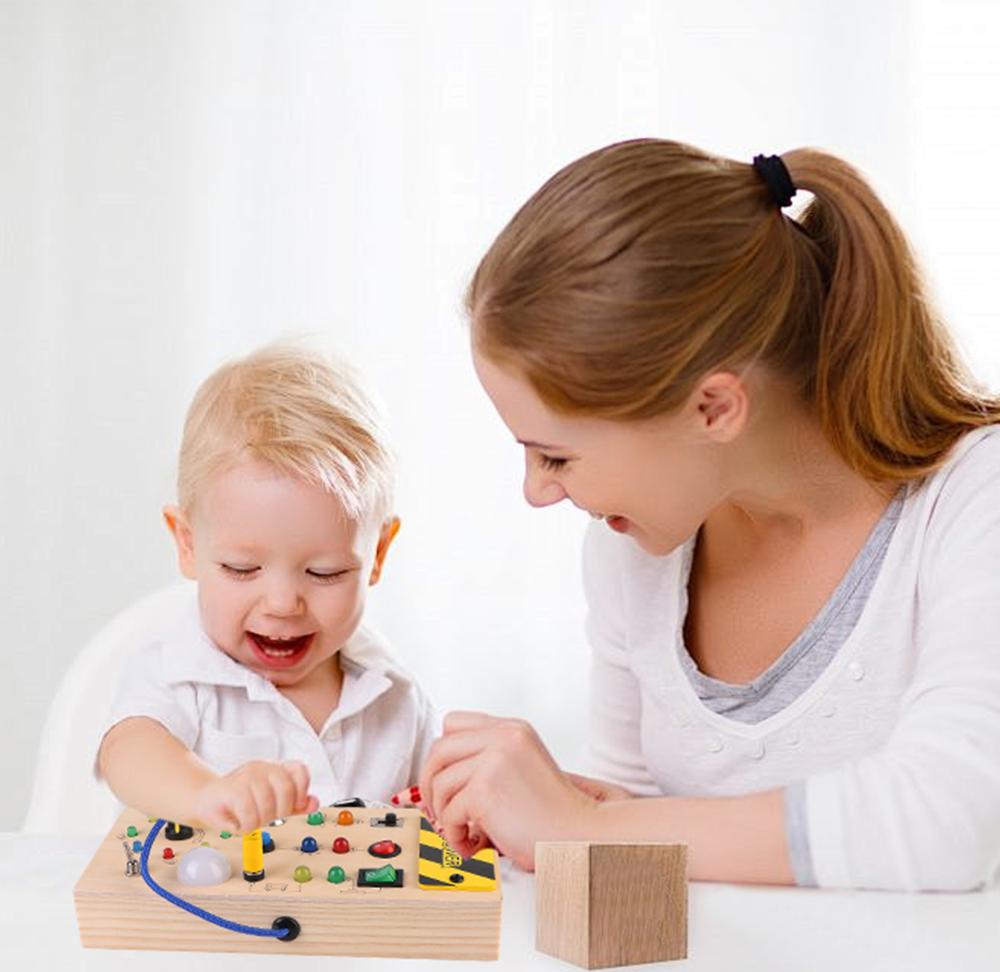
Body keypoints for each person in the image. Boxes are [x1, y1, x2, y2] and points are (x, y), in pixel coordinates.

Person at [413, 139, 1000, 891]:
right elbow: (639, 828)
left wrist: (583, 826)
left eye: (555, 456)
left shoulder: (971, 502)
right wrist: (573, 813)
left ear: (714, 408)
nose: (537, 492)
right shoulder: (632, 549)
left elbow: (948, 822)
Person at [98, 342, 438, 833]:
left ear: (378, 554)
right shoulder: (177, 675)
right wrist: (205, 795)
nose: (282, 604)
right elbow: (127, 754)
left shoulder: (396, 696)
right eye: (242, 568)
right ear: (187, 544)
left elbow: (433, 816)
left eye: (324, 573)